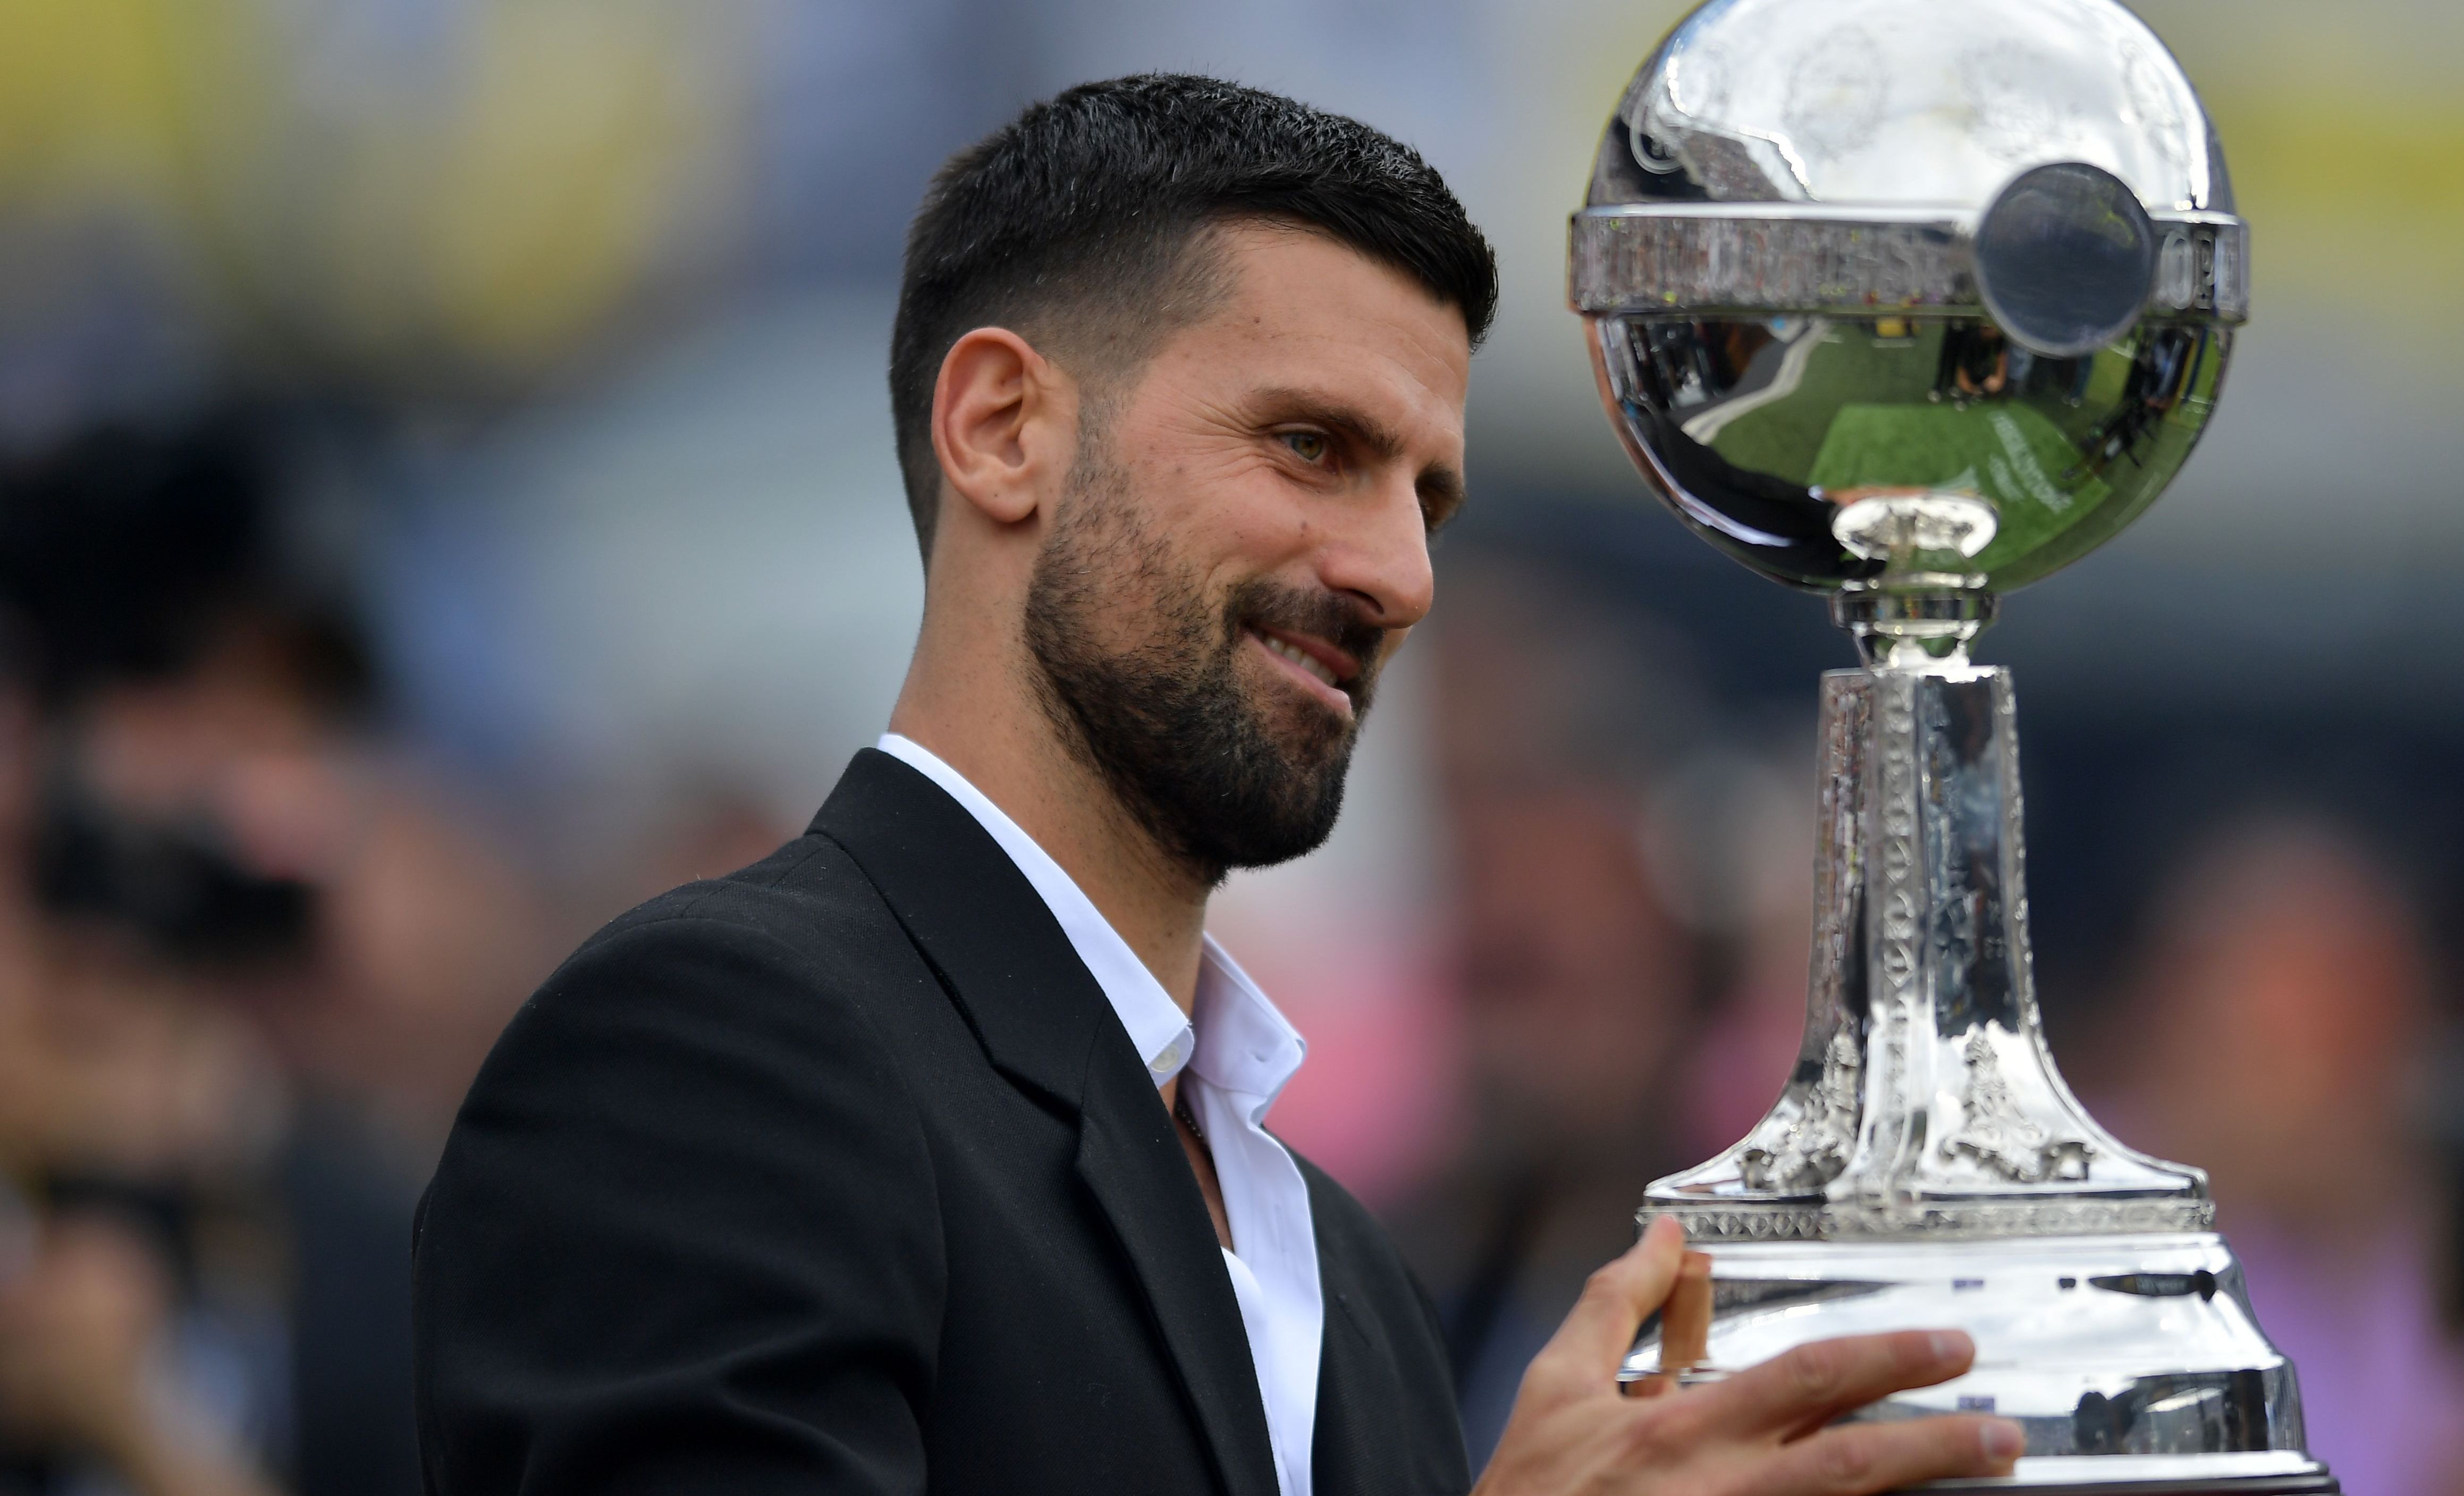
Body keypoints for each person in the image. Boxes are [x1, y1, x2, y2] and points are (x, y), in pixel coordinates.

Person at [412, 75, 2026, 1496]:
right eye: (1310, 446)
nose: (1398, 574)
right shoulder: (721, 1051)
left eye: (1429, 501)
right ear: (1000, 428)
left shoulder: (1345, 1267)